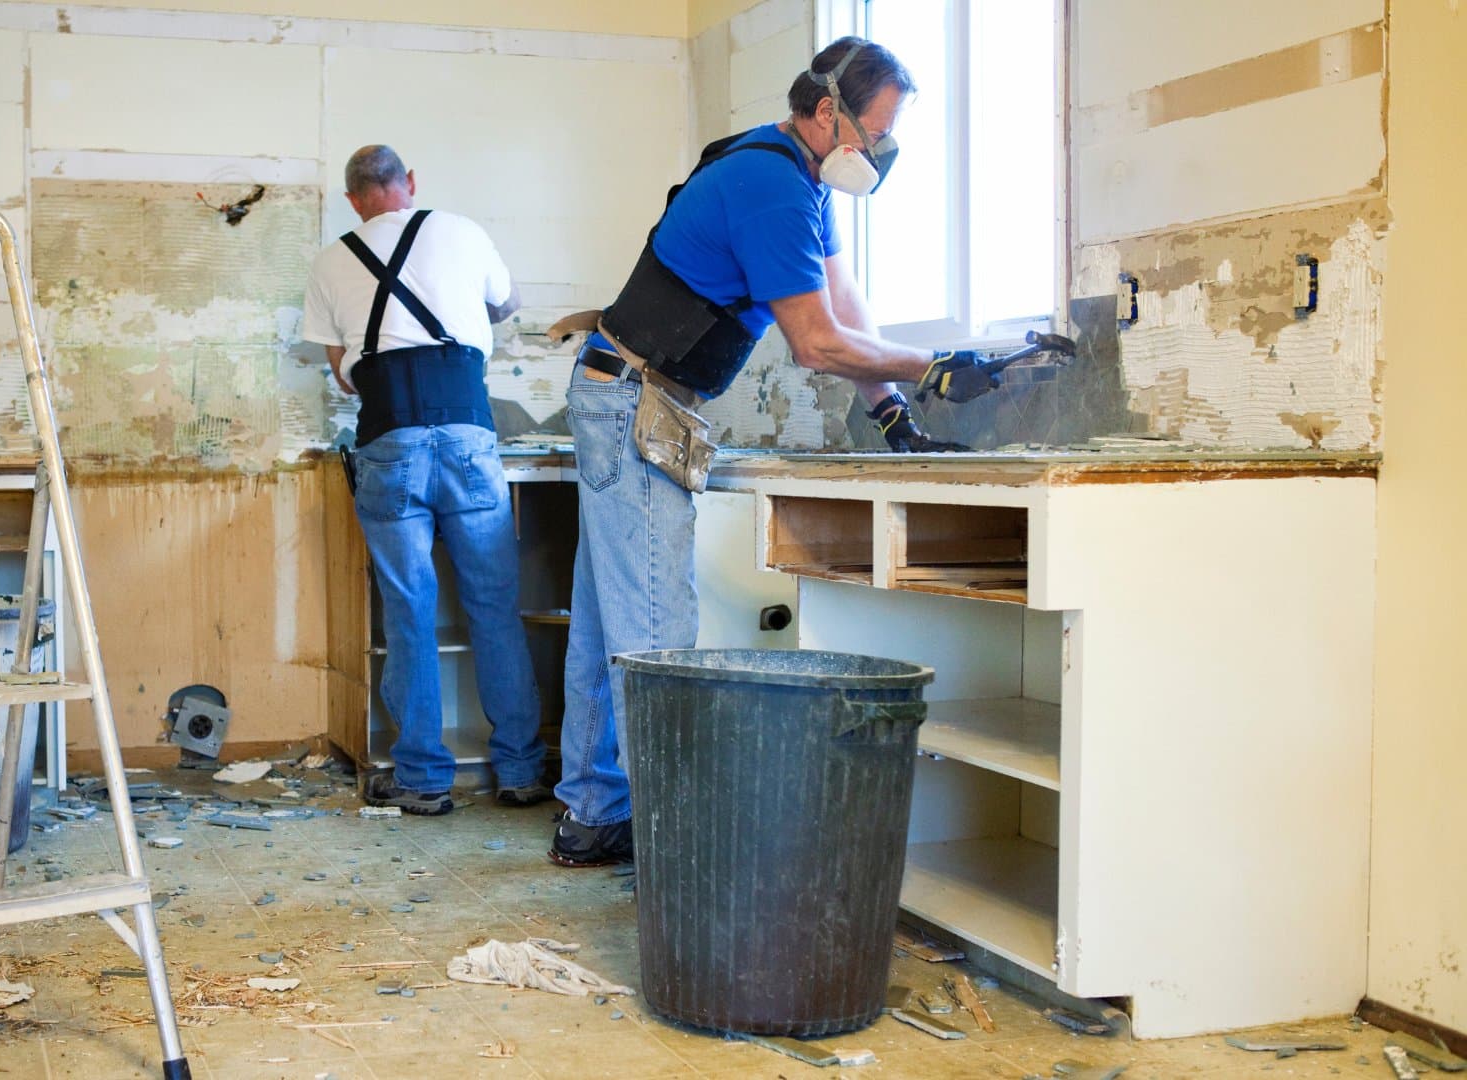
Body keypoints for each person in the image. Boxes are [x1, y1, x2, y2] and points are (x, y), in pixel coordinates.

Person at [547, 37, 1008, 865]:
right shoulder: (771, 186)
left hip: (625, 393)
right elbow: (816, 343)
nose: (883, 151)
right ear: (828, 112)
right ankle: (676, 848)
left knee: (608, 623)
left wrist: (894, 413)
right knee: (655, 633)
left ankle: (594, 814)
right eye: (878, 132)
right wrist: (935, 364)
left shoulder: (800, 179)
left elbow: (846, 310)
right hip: (634, 401)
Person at [302, 145, 552, 816]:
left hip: (389, 439)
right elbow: (508, 304)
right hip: (468, 432)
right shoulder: (461, 230)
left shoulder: (329, 262)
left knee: (409, 611)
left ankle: (421, 780)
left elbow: (343, 375)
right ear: (409, 182)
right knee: (494, 608)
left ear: (353, 200)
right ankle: (521, 771)